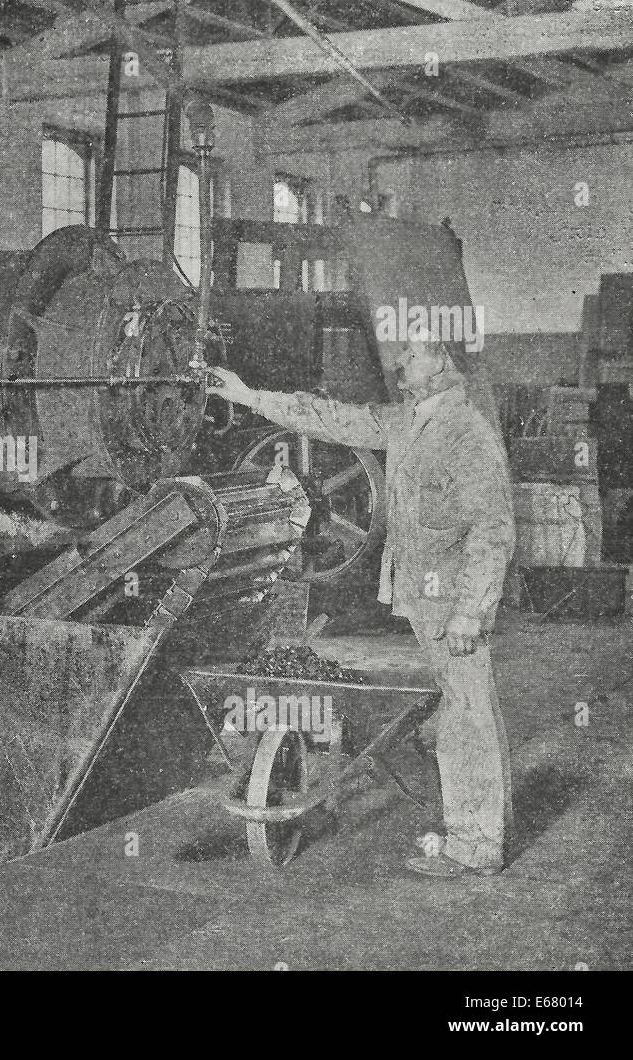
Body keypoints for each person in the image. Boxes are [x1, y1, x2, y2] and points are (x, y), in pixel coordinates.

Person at [207, 340, 516, 876]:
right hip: (424, 593)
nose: (401, 365)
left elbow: (493, 530)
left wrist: (472, 609)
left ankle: (476, 845)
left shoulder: (469, 434)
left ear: (445, 363)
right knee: (461, 706)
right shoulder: (408, 421)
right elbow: (331, 417)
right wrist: (249, 396)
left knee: (468, 713)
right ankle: (476, 827)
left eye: (414, 356)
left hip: (454, 599)